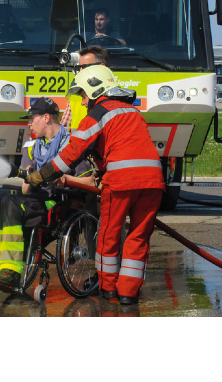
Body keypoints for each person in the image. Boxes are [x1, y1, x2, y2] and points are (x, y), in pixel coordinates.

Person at [25, 66, 165, 305]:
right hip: (153, 181)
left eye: (82, 94)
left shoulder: (98, 114)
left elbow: (70, 155)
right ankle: (128, 294)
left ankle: (108, 289)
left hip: (121, 181)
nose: (82, 100)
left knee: (109, 234)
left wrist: (40, 176)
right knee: (139, 238)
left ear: (93, 89)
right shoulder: (132, 111)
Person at [0, 97, 94, 290]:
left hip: (59, 202)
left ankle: (11, 271)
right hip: (36, 199)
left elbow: (90, 182)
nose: (28, 124)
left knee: (11, 203)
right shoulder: (34, 147)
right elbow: (26, 190)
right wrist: (28, 178)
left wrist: (66, 179)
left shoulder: (71, 145)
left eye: (31, 118)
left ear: (46, 118)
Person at [61, 45, 109, 132]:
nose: (81, 72)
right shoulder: (75, 95)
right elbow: (63, 128)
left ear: (102, 67)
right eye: (79, 68)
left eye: (86, 67)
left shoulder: (114, 97)